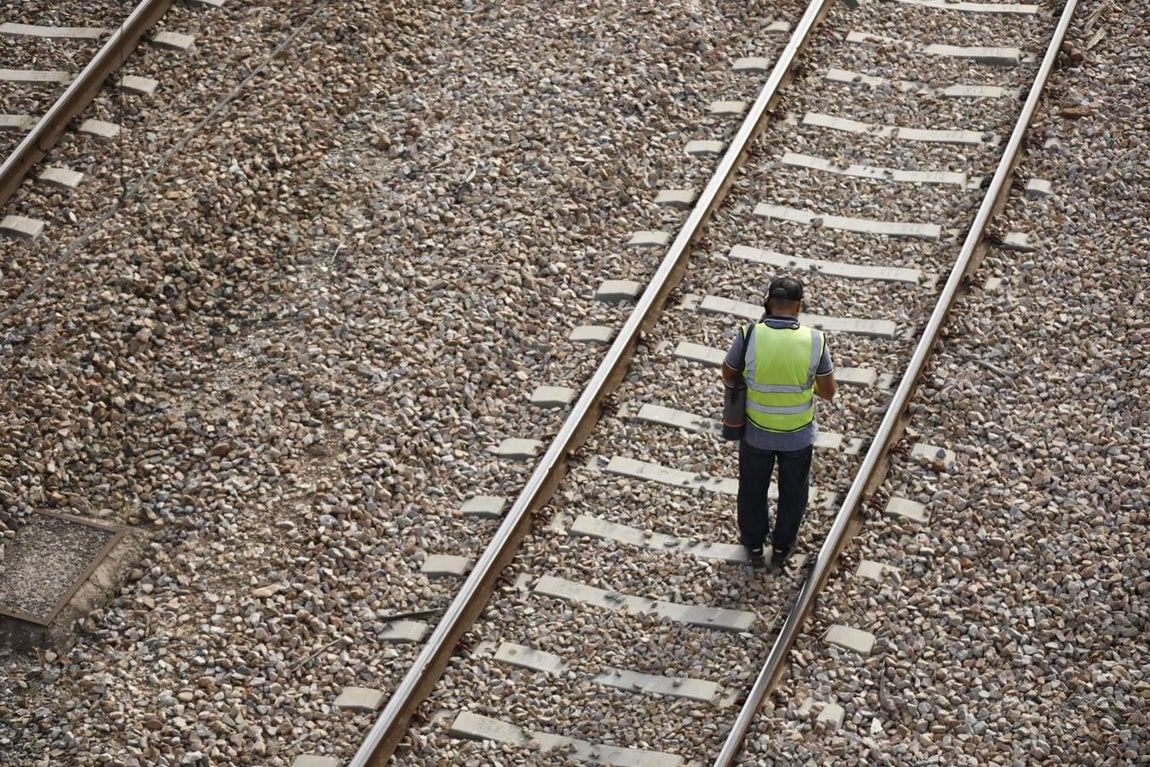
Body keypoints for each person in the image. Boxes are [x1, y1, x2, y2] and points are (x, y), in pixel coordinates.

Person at [722, 275, 837, 570]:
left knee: (752, 489)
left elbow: (728, 373)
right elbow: (828, 392)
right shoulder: (815, 340)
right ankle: (783, 546)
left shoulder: (749, 335)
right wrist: (805, 385)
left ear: (768, 303)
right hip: (797, 436)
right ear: (799, 306)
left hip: (756, 433)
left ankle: (754, 545)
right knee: (793, 492)